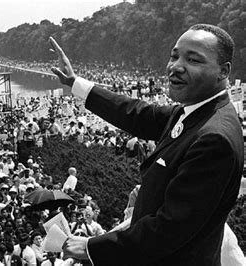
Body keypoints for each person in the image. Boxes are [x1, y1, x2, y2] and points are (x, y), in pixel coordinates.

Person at [50, 24, 243, 265]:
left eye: (193, 60)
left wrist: (91, 247)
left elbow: (169, 229)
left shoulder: (214, 139)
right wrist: (76, 84)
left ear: (223, 72)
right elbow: (138, 114)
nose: (176, 66)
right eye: (174, 56)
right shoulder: (197, 110)